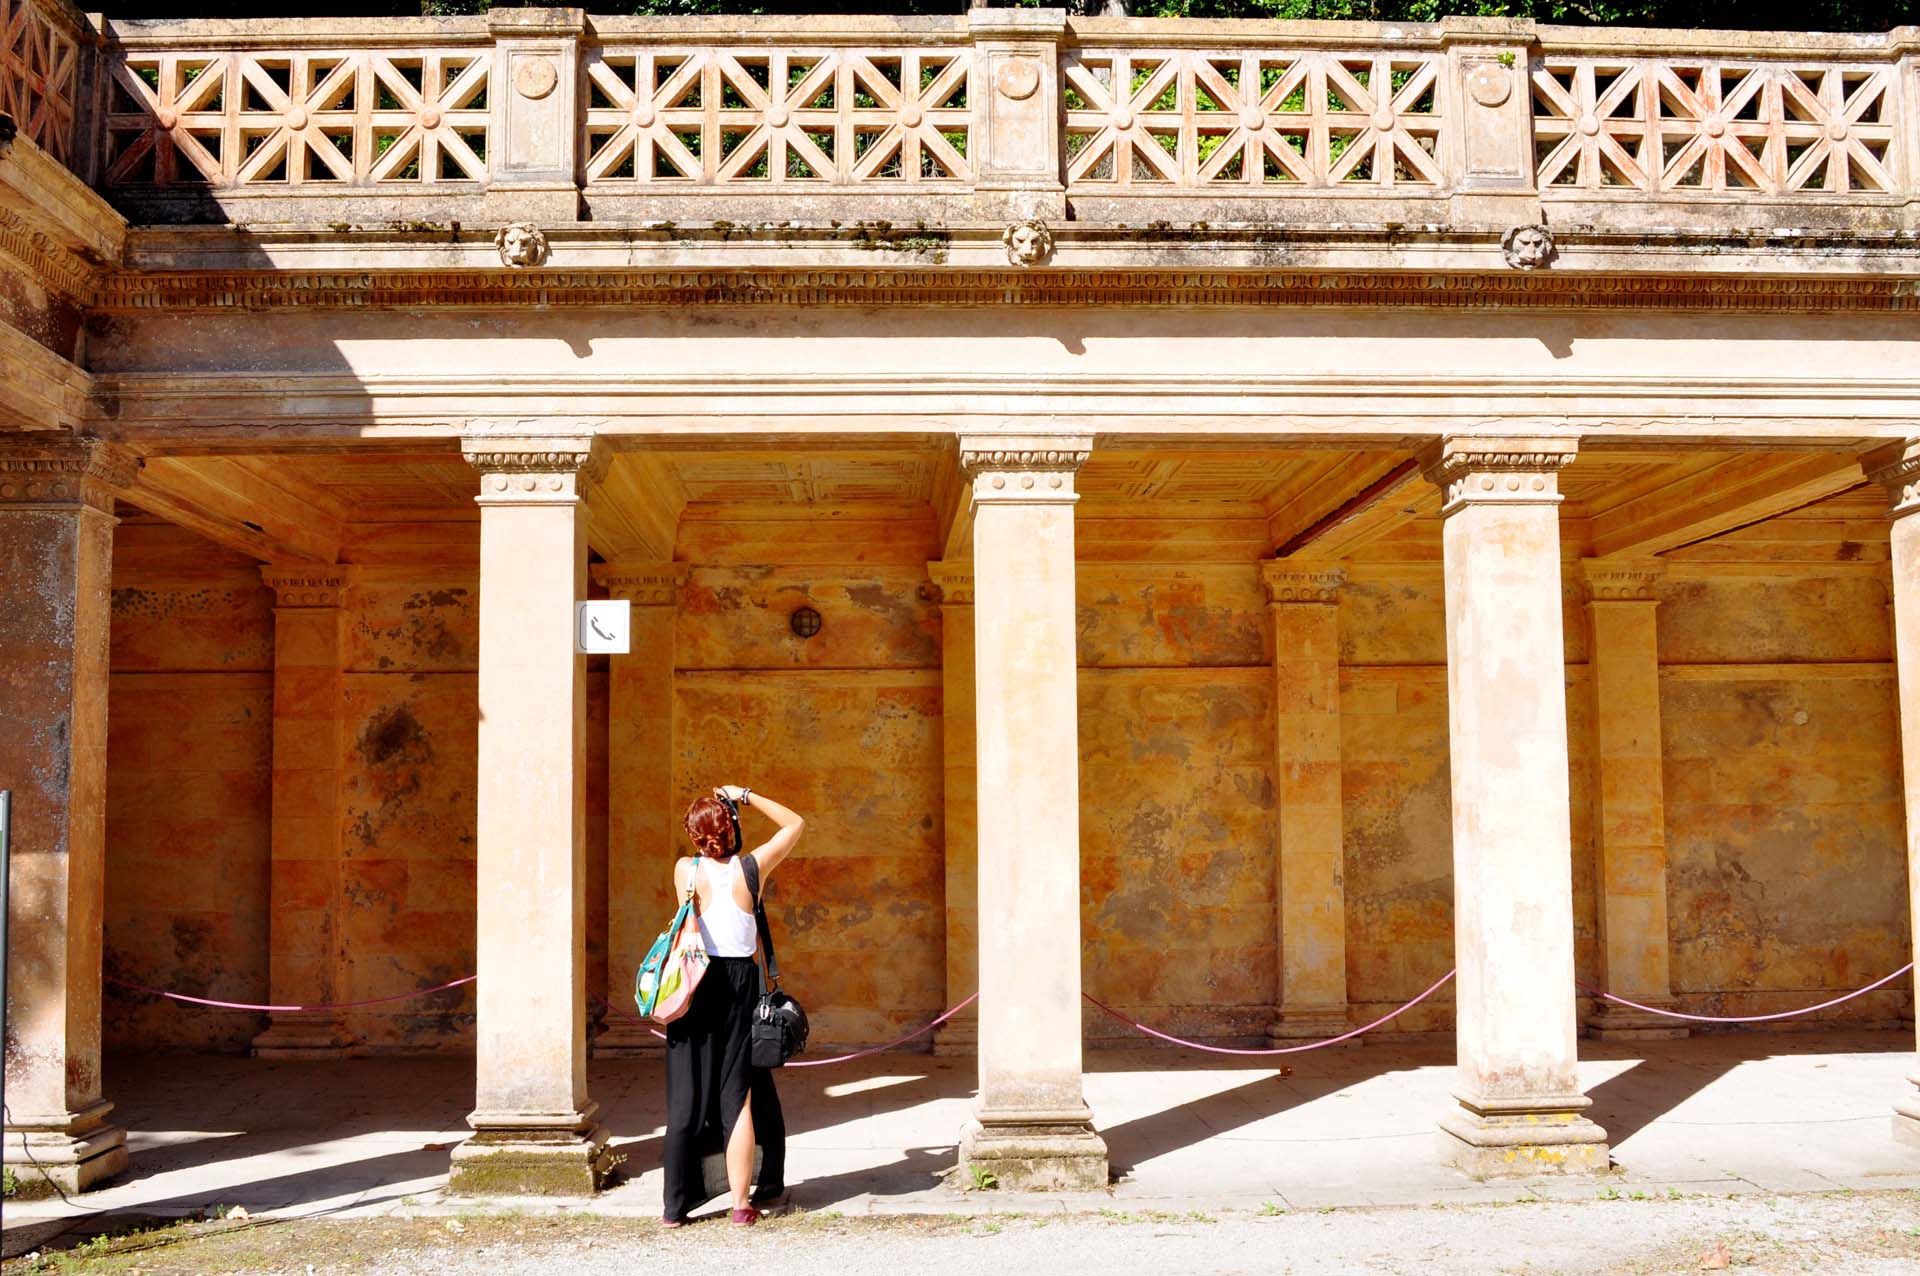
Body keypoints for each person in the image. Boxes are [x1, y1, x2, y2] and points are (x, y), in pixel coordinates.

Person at [661, 783, 805, 1227]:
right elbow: (795, 824)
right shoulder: (751, 869)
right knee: (737, 1098)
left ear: (693, 833)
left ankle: (674, 1208)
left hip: (696, 980)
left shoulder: (685, 870)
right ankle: (741, 1205)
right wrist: (744, 795)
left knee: (685, 1098)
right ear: (732, 828)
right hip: (739, 983)